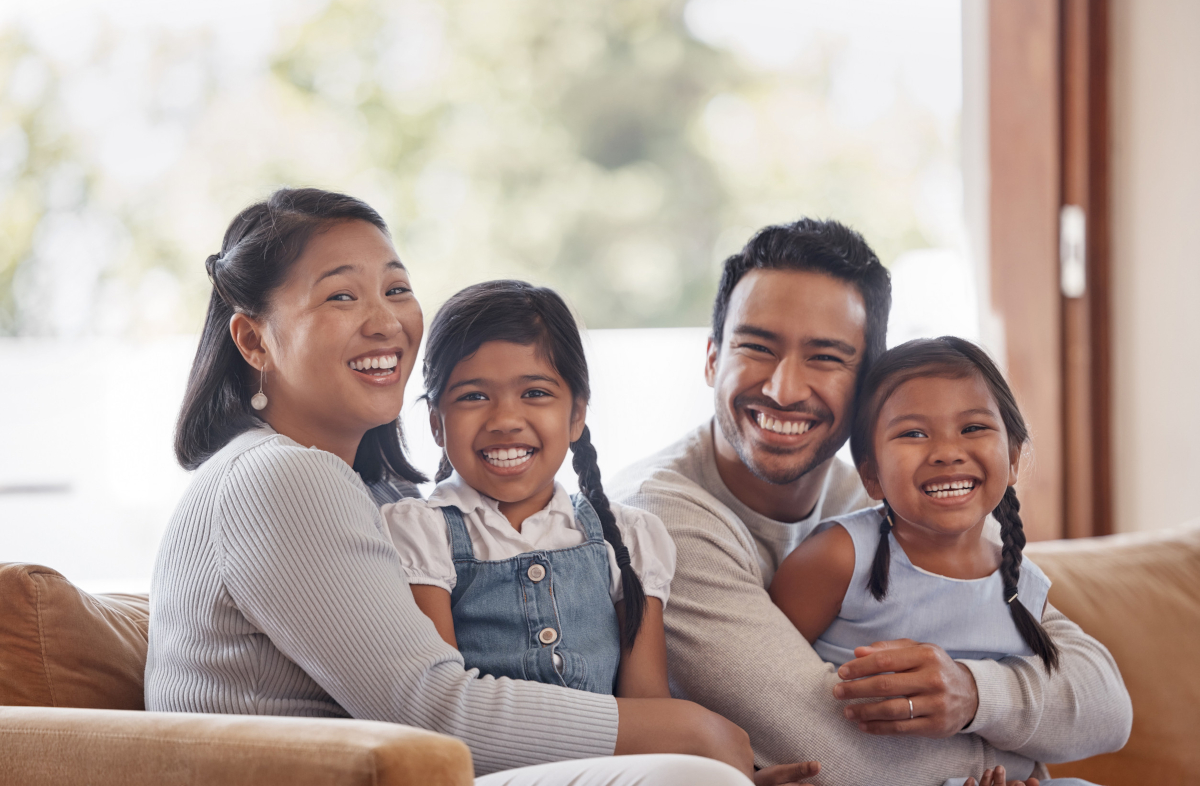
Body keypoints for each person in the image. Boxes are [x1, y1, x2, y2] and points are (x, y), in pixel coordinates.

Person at [144, 187, 765, 785]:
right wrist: (688, 732)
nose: (385, 321)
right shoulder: (278, 478)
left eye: (396, 289)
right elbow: (433, 711)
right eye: (341, 297)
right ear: (254, 339)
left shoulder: (371, 495)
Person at [608, 219, 1133, 785]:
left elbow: (1105, 705)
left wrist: (974, 692)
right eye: (756, 347)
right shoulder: (658, 519)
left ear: (867, 387)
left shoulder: (890, 498)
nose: (784, 389)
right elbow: (832, 750)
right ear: (713, 358)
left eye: (826, 357)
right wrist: (1022, 766)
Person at [384, 280, 818, 784]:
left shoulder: (627, 537)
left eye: (535, 393)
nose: (505, 419)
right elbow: (442, 707)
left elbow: (648, 710)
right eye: (473, 396)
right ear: (437, 423)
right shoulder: (421, 533)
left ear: (577, 415)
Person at [771, 336, 1106, 786]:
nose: (948, 451)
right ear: (871, 475)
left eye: (973, 428)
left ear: (1012, 458)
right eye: (913, 433)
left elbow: (1084, 713)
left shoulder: (1023, 586)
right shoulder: (839, 556)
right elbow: (766, 691)